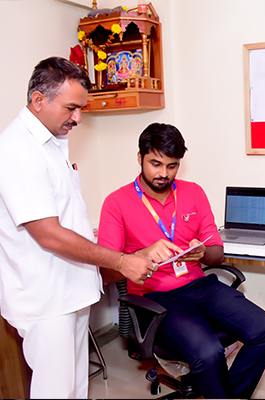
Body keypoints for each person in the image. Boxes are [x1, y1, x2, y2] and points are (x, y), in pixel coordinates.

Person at [0, 56, 155, 399]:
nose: (78, 118)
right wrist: (120, 261)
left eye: (81, 108)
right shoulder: (17, 150)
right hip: (46, 298)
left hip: (71, 289)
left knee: (74, 389)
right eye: (71, 108)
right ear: (39, 100)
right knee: (54, 392)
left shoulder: (52, 142)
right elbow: (48, 233)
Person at [97, 122, 265, 399]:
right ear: (140, 158)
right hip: (156, 297)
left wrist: (201, 253)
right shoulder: (116, 202)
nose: (163, 174)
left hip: (199, 285)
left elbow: (217, 253)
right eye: (155, 164)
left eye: (172, 166)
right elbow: (106, 274)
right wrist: (142, 254)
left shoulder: (192, 192)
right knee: (208, 353)